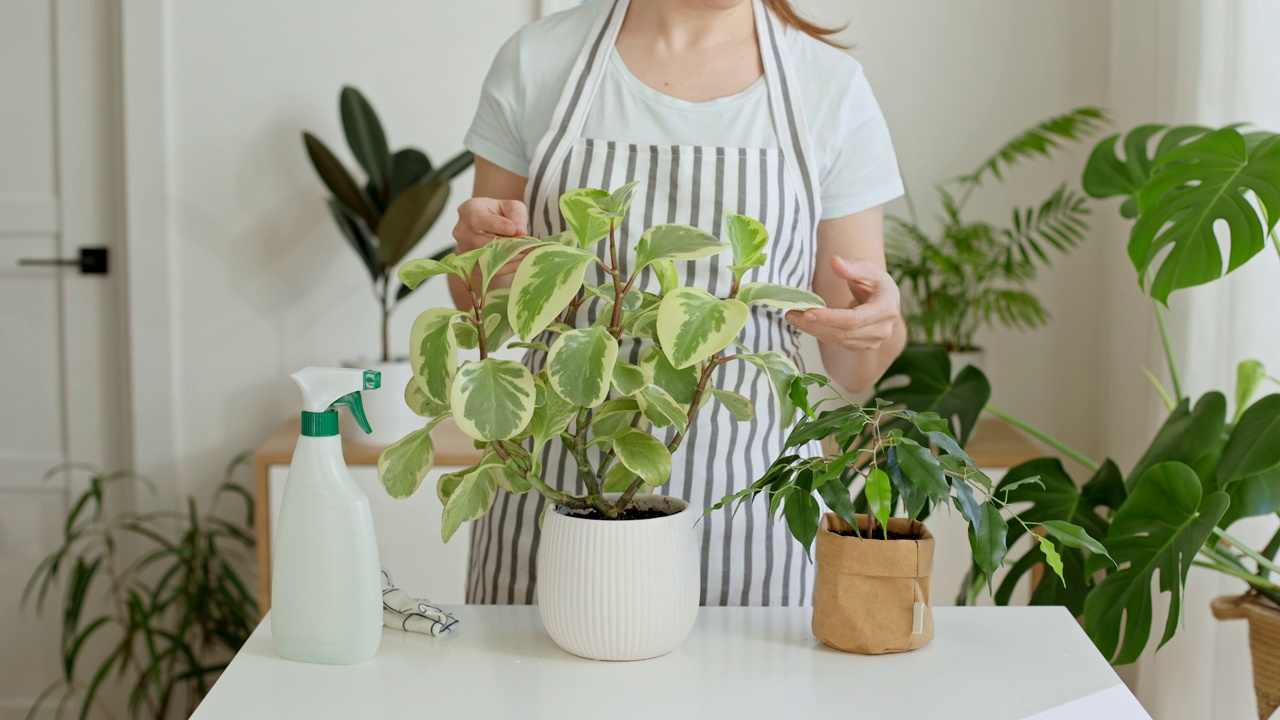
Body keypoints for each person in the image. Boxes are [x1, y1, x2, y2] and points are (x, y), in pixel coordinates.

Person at [452, 0, 907, 606]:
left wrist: (876, 324)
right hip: (555, 497)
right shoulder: (538, 62)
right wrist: (479, 254)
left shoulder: (828, 87)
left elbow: (855, 365)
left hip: (752, 517)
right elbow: (480, 301)